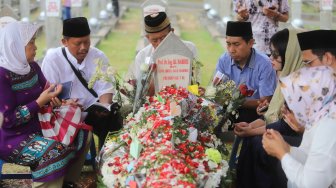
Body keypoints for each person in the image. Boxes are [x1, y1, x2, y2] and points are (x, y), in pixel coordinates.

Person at [0, 21, 90, 187]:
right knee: (56, 154)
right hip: (14, 139)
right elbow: (8, 120)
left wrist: (60, 98)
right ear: (15, 46)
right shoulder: (3, 75)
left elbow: (47, 88)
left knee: (83, 133)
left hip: (41, 126)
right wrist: (39, 102)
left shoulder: (32, 66)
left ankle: (67, 182)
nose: (35, 47)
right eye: (31, 42)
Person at [233, 28, 304, 188]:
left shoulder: (300, 83)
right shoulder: (286, 75)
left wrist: (251, 130)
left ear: (290, 54)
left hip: (302, 138)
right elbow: (273, 116)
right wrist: (250, 126)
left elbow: (285, 124)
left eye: (276, 55)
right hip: (284, 129)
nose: (271, 58)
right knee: (251, 138)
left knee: (259, 141)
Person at [41, 17, 122, 149]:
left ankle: (106, 157)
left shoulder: (98, 56)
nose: (84, 48)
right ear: (64, 42)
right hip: (64, 111)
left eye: (87, 42)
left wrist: (104, 106)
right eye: (78, 44)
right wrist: (64, 103)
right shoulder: (53, 60)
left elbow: (105, 89)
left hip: (92, 109)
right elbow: (49, 94)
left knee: (111, 119)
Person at [262, 66, 336, 188]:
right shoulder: (318, 119)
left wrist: (282, 153)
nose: (289, 111)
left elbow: (310, 184)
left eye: (293, 104)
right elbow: (311, 157)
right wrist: (286, 148)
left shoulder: (329, 128)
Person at [215, 21, 277, 123]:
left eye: (236, 44)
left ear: (250, 43)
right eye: (228, 44)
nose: (231, 50)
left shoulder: (264, 64)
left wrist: (235, 101)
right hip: (227, 109)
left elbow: (265, 102)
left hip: (253, 113)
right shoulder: (224, 59)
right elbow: (216, 89)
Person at [129, 11, 198, 84]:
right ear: (148, 38)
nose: (160, 44)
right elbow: (140, 90)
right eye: (154, 40)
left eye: (163, 38)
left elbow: (195, 83)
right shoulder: (142, 56)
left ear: (172, 32)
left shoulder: (189, 49)